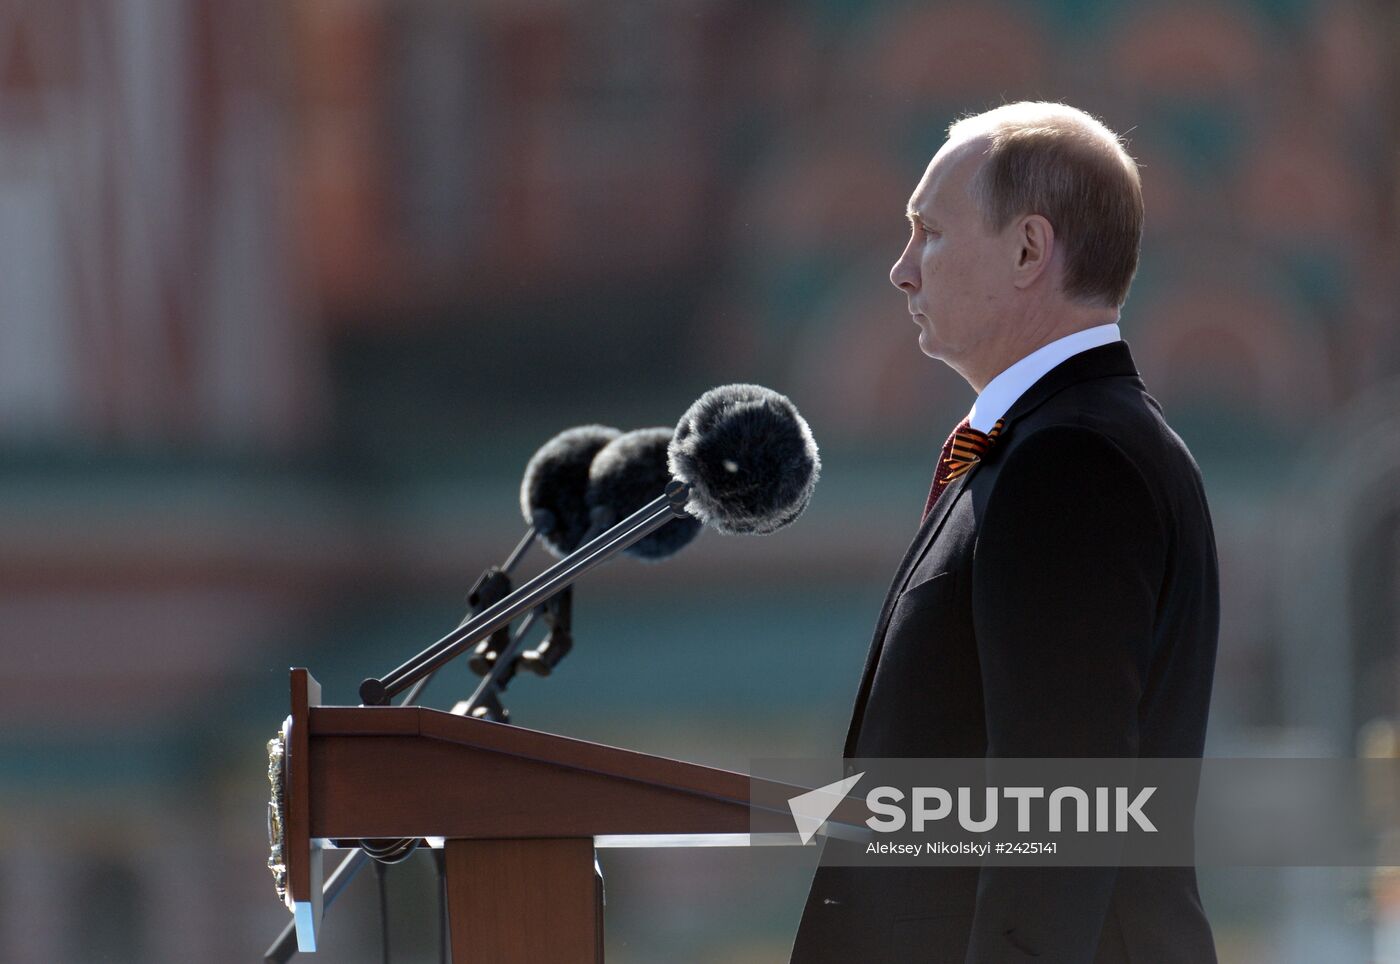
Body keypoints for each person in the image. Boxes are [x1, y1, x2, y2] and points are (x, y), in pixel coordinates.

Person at [790, 102, 1219, 963]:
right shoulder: (1044, 444)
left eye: (929, 233)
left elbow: (1057, 809)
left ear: (1029, 250)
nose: (900, 271)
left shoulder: (1072, 460)